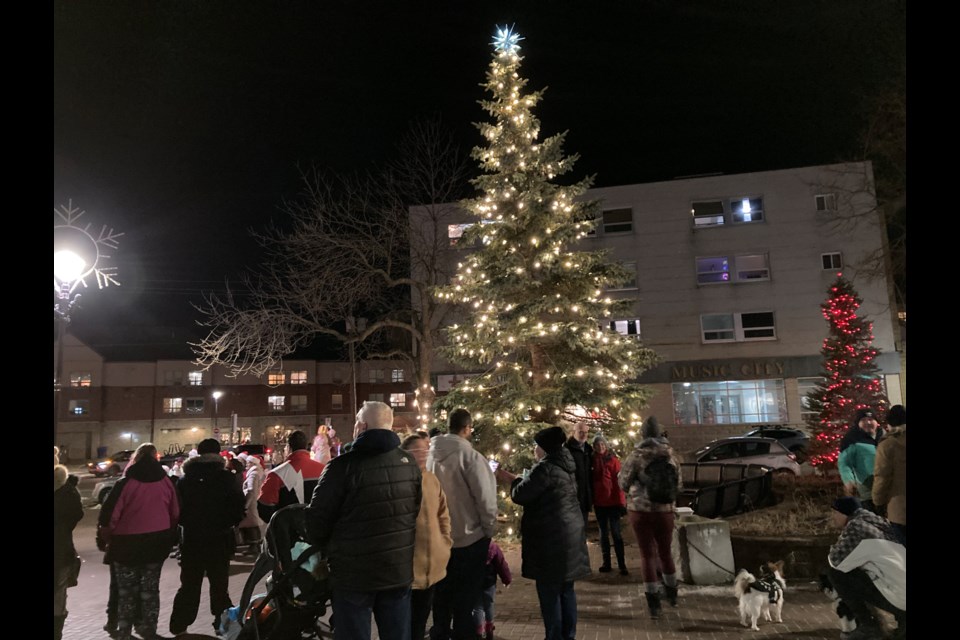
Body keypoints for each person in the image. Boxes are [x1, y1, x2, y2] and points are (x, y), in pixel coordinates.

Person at [306, 401, 422, 640]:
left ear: (362, 426)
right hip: (397, 570)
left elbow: (317, 519)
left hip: (353, 575)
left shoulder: (341, 466)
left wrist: (326, 548)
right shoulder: (409, 464)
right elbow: (414, 509)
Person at [506, 425, 591, 640]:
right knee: (566, 590)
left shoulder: (545, 468)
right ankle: (568, 635)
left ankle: (554, 636)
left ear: (545, 448)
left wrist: (515, 480)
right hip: (569, 535)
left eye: (537, 446)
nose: (535, 450)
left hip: (551, 540)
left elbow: (520, 495)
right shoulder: (565, 464)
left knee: (550, 592)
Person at [427, 408, 499, 640]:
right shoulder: (471, 458)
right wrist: (489, 530)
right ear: (467, 428)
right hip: (469, 540)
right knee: (466, 601)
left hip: (439, 538)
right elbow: (485, 499)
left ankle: (440, 633)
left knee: (441, 598)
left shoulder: (431, 455)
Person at [98, 443, 180, 640]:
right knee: (150, 589)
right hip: (156, 543)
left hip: (126, 545)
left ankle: (125, 630)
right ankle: (148, 628)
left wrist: (106, 539)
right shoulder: (166, 482)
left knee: (127, 591)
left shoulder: (126, 483)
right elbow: (175, 512)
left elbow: (110, 517)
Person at [169, 438, 246, 636]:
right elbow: (238, 505)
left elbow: (178, 509)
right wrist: (231, 522)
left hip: (192, 538)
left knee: (189, 583)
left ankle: (179, 624)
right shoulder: (226, 478)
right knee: (219, 584)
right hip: (219, 537)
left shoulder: (186, 479)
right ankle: (222, 623)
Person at [618, 416, 682, 619]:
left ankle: (653, 601)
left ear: (642, 434)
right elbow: (679, 484)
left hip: (641, 511)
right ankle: (672, 593)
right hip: (665, 511)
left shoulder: (637, 455)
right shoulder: (671, 454)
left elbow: (623, 482)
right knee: (665, 552)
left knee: (647, 554)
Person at [827, 496, 906, 640]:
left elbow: (835, 561)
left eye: (835, 513)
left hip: (900, 597)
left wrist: (837, 544)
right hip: (902, 589)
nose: (833, 517)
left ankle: (870, 626)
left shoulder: (857, 528)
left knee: (838, 574)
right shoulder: (878, 524)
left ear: (844, 513)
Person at [401, 433, 453, 640]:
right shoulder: (402, 480)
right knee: (405, 623)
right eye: (418, 450)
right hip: (407, 568)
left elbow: (443, 513)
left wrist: (445, 542)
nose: (424, 455)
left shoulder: (431, 479)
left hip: (433, 567)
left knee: (421, 620)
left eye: (425, 450)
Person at [258, 430, 327, 524]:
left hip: (288, 532)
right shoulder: (324, 470)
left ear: (289, 447)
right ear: (306, 446)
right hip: (319, 529)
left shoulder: (276, 474)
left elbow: (265, 508)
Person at [54, 450, 84, 640]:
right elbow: (76, 514)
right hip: (61, 552)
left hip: (61, 552)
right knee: (58, 599)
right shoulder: (68, 492)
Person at [591, 434, 628, 575]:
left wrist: (621, 502)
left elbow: (618, 483)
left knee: (616, 533)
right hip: (600, 503)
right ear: (594, 447)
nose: (600, 447)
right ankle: (606, 562)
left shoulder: (613, 461)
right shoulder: (592, 461)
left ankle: (622, 564)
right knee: (603, 534)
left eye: (602, 444)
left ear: (605, 446)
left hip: (613, 503)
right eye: (597, 445)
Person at [838, 407, 885, 513]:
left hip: (888, 485)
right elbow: (844, 463)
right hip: (867, 488)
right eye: (863, 420)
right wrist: (849, 481)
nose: (868, 422)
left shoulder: (884, 436)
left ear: (876, 422)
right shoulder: (852, 439)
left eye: (871, 419)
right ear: (858, 423)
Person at [873, 404, 906, 544]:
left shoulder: (888, 445)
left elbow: (882, 477)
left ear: (889, 424)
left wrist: (878, 502)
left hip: (901, 509)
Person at [473, 539, 512, 640]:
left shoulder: (472, 546)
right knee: (489, 605)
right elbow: (501, 564)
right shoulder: (493, 547)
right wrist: (507, 579)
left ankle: (478, 630)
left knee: (478, 607)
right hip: (489, 583)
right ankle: (489, 627)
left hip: (476, 583)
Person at [564, 421, 593, 525]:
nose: (584, 435)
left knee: (583, 525)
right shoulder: (567, 450)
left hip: (585, 494)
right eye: (581, 432)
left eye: (586, 432)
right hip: (572, 495)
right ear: (574, 432)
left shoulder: (589, 450)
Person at [238, 453, 266, 549]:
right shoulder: (256, 472)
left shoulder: (253, 474)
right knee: (252, 523)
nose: (246, 464)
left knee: (252, 524)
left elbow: (251, 490)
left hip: (250, 502)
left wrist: (246, 504)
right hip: (252, 501)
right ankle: (254, 545)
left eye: (248, 462)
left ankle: (254, 545)